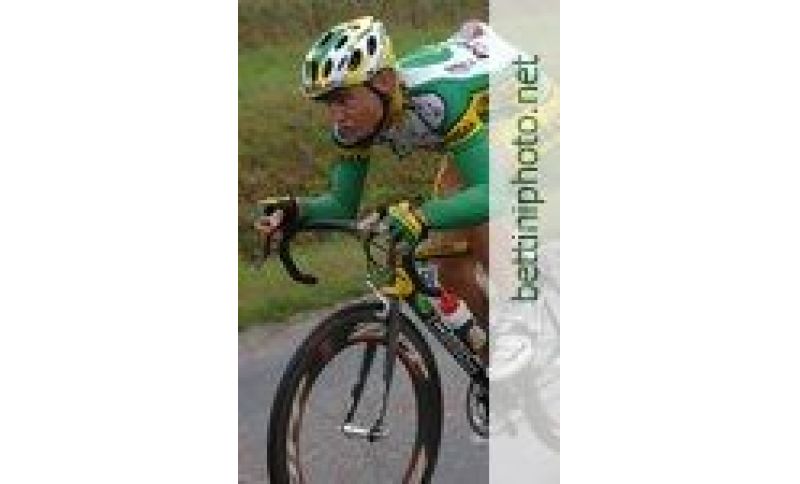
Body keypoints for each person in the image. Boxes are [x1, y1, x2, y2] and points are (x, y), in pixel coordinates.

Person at [255, 16, 542, 373]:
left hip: (528, 107)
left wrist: (421, 216)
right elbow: (343, 205)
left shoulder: (437, 99)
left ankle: (522, 321)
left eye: (344, 100)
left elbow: (494, 194)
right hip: (484, 122)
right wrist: (297, 212)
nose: (337, 116)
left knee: (474, 207)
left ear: (385, 82)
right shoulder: (356, 124)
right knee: (449, 266)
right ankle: (499, 374)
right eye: (328, 104)